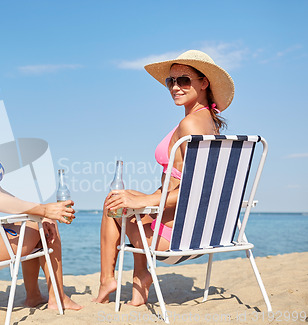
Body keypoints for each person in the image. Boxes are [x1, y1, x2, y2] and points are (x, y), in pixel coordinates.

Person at [92, 50, 235, 306]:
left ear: (204, 83)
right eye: (172, 81)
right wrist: (144, 199)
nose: (175, 87)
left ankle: (107, 280)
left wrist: (146, 199)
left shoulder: (190, 126)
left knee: (112, 204)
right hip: (201, 231)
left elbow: (196, 190)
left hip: (174, 239)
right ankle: (140, 281)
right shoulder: (209, 123)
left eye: (184, 80)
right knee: (126, 199)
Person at [0, 62, 82, 311]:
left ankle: (33, 296)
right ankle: (57, 298)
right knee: (47, 224)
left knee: (33, 220)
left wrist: (36, 210)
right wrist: (44, 210)